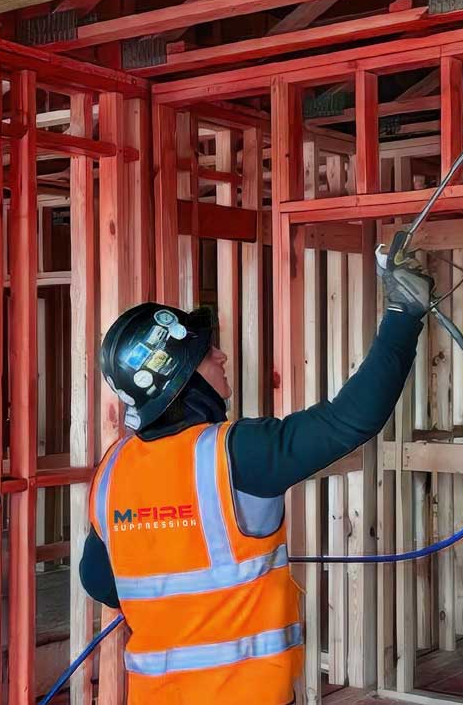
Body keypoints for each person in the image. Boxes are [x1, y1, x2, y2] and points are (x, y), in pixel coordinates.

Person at [81, 254, 434, 704]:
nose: (220, 355)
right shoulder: (234, 454)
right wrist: (403, 315)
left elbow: (100, 584)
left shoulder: (112, 471)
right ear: (179, 378)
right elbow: (350, 420)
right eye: (204, 352)